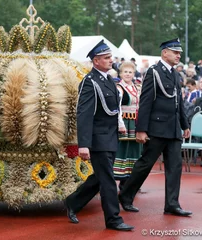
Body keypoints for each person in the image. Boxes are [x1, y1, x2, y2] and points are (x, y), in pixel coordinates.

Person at [64, 40, 134, 231]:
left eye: (110, 57)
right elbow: (84, 114)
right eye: (106, 58)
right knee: (108, 180)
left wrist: (120, 125)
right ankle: (113, 219)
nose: (111, 60)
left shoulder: (109, 79)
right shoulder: (89, 82)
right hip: (98, 138)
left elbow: (114, 109)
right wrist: (84, 144)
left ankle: (73, 202)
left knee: (101, 177)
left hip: (110, 136)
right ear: (96, 61)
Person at [119, 38, 192, 217]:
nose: (178, 55)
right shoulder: (154, 72)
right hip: (157, 127)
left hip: (173, 128)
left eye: (179, 52)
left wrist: (184, 124)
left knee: (175, 167)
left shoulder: (175, 74)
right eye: (175, 52)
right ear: (164, 52)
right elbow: (145, 102)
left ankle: (172, 204)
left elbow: (178, 102)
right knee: (145, 164)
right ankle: (126, 195)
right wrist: (141, 129)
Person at [114, 61, 142, 191]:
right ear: (120, 73)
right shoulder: (118, 88)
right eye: (125, 72)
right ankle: (119, 178)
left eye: (130, 72)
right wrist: (120, 124)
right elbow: (117, 108)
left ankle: (130, 181)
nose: (128, 74)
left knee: (134, 150)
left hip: (135, 123)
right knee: (122, 149)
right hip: (124, 123)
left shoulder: (137, 87)